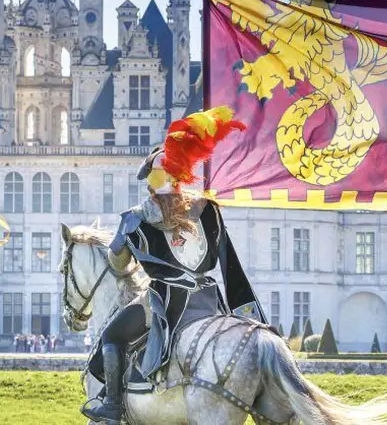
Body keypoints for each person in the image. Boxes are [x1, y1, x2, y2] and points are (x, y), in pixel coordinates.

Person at [82, 107, 266, 424]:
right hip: (210, 300)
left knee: (111, 336)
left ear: (152, 182)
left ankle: (111, 405)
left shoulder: (136, 217)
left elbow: (118, 264)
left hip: (165, 300)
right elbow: (230, 267)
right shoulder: (207, 209)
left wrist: (118, 243)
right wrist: (252, 319)